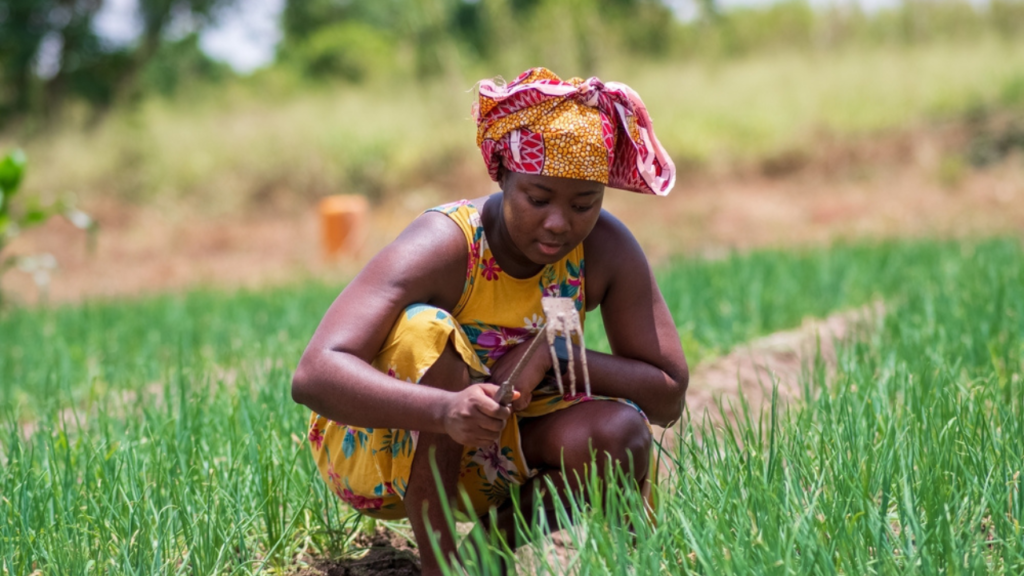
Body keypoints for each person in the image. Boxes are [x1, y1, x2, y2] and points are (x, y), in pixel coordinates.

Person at [291, 67, 688, 575]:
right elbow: (314, 374)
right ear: (502, 176)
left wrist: (554, 352)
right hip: (385, 448)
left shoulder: (603, 249)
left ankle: (486, 555)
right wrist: (444, 410)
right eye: (538, 199)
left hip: (498, 445)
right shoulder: (446, 244)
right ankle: (441, 565)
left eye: (584, 204)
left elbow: (668, 395)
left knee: (620, 433)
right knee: (425, 331)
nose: (559, 223)